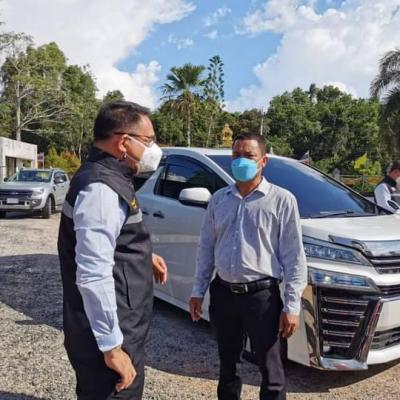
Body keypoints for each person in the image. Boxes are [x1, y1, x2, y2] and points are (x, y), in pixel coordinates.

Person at [58, 101, 167, 400]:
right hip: (111, 332)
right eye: (148, 140)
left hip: (119, 322)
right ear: (123, 142)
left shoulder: (109, 176)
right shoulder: (101, 188)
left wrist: (144, 256)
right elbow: (93, 274)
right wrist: (112, 348)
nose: (154, 149)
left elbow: (109, 240)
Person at [189, 133, 307, 400]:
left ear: (263, 161)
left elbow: (293, 256)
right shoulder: (219, 199)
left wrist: (292, 306)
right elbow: (206, 248)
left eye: (249, 156)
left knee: (271, 369)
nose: (241, 161)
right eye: (237, 155)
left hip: (261, 298)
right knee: (228, 365)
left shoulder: (281, 200)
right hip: (223, 294)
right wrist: (198, 290)